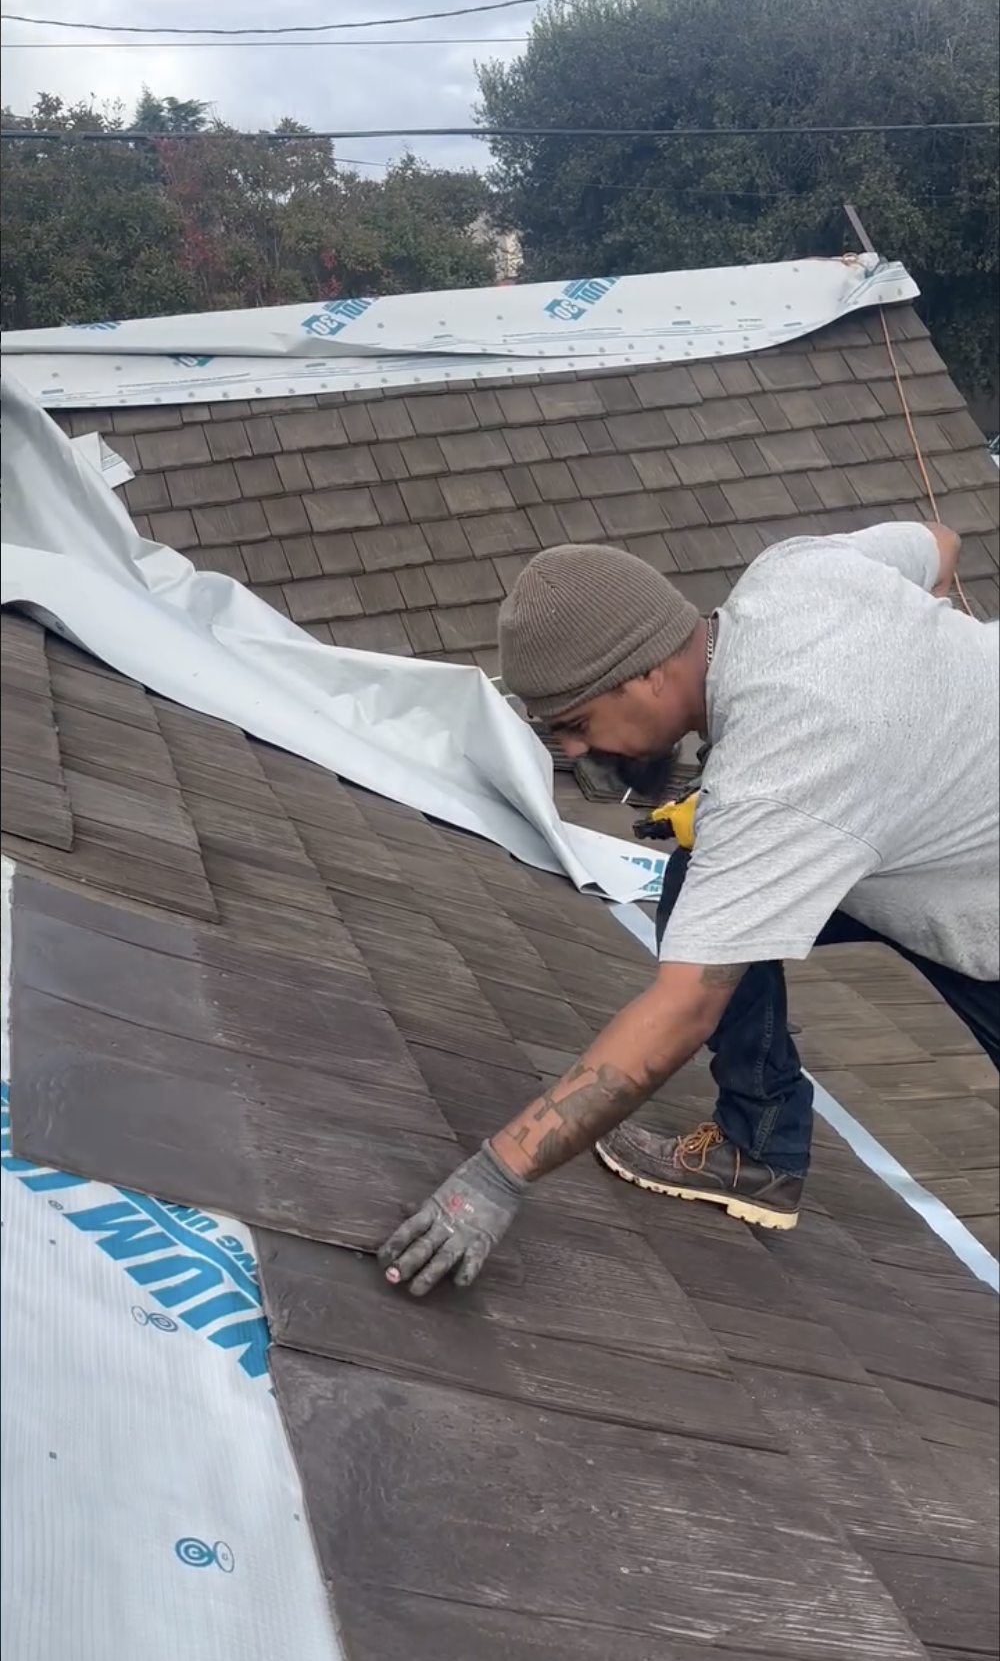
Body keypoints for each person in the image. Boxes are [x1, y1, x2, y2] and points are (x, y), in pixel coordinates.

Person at [379, 524, 1000, 1297]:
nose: (572, 753)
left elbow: (681, 1010)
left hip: (981, 902)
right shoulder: (791, 573)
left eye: (574, 724)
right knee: (702, 878)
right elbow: (939, 543)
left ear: (646, 676)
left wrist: (495, 1177)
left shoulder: (781, 770)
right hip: (920, 839)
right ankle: (760, 1150)